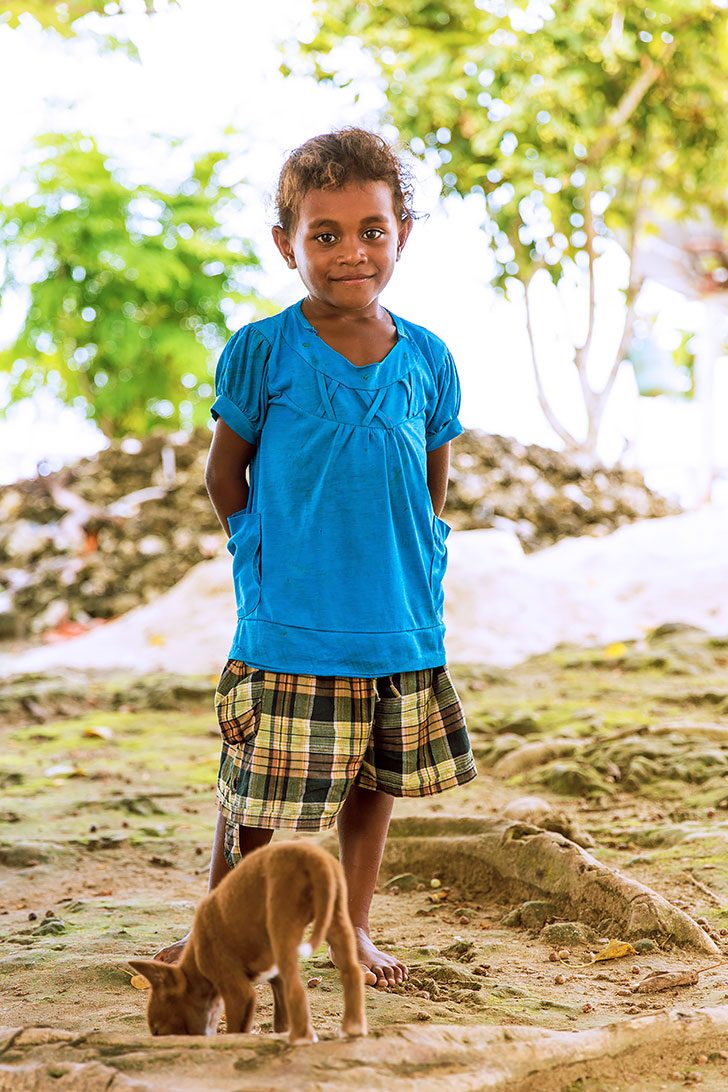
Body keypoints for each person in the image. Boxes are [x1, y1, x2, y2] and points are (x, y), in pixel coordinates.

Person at [155, 127, 477, 989]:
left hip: (398, 620)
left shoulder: (429, 359)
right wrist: (260, 548)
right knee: (256, 798)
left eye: (371, 230)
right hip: (293, 620)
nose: (350, 253)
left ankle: (351, 928)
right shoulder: (265, 349)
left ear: (402, 232)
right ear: (285, 243)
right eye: (323, 235)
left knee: (371, 788)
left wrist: (416, 559)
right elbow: (227, 472)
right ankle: (216, 938)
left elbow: (430, 484)